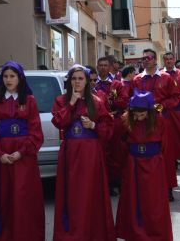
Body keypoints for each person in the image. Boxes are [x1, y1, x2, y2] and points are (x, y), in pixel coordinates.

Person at [0, 61, 45, 240]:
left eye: (12, 76)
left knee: (23, 197)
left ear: (20, 78)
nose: (8, 80)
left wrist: (21, 152)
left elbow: (36, 132)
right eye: (5, 76)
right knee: (2, 197)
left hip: (24, 158)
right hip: (1, 157)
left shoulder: (29, 101)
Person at [51, 65, 115, 240]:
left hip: (90, 153)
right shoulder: (61, 100)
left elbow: (109, 129)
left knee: (90, 193)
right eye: (74, 78)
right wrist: (71, 103)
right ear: (69, 81)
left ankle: (92, 232)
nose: (77, 82)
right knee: (71, 194)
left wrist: (93, 126)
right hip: (70, 152)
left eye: (80, 78)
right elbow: (58, 122)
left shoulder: (97, 101)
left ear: (87, 81)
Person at [115, 91, 173, 241]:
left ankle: (154, 232)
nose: (139, 118)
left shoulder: (159, 120)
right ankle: (133, 231)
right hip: (133, 163)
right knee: (134, 198)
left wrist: (160, 163)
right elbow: (120, 142)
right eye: (136, 115)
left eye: (143, 115)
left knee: (153, 200)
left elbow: (165, 145)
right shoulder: (126, 120)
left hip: (153, 163)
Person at [132, 49, 178, 201]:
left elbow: (176, 98)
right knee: (145, 154)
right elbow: (132, 98)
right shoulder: (137, 79)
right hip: (141, 122)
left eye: (149, 57)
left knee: (166, 154)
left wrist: (162, 106)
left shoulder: (166, 78)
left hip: (162, 121)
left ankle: (168, 188)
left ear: (155, 59)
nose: (146, 60)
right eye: (143, 58)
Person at [96, 56, 129, 194]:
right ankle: (107, 182)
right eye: (100, 65)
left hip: (115, 121)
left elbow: (125, 100)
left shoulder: (117, 84)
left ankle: (119, 180)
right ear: (97, 67)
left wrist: (112, 101)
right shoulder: (93, 83)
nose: (103, 67)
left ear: (110, 67)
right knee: (103, 152)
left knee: (117, 151)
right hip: (99, 123)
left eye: (105, 65)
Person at [160, 52, 180, 170]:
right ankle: (170, 162)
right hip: (164, 112)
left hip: (179, 112)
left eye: (171, 59)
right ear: (163, 60)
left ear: (174, 60)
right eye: (166, 59)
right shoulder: (160, 74)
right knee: (167, 138)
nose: (169, 61)